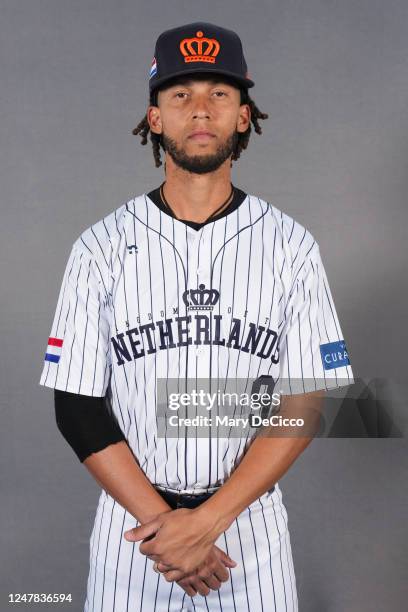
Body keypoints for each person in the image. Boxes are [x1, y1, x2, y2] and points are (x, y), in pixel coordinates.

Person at [39, 22, 355, 611]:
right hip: (135, 532)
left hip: (247, 529)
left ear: (243, 115)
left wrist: (207, 522)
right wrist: (169, 529)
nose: (200, 109)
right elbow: (76, 405)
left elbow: (304, 401)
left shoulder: (291, 246)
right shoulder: (100, 247)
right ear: (155, 117)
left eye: (219, 93)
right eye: (181, 95)